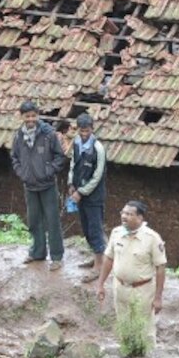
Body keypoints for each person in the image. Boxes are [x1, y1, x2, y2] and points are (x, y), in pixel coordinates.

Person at [96, 200, 167, 354]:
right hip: (120, 287)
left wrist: (158, 297)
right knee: (124, 324)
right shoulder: (116, 233)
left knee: (144, 328)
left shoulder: (152, 238)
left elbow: (160, 268)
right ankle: (128, 355)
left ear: (140, 218)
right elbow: (108, 259)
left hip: (142, 290)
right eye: (123, 213)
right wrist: (100, 284)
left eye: (129, 214)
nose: (124, 216)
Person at [10, 101, 68, 269]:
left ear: (38, 115)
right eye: (27, 116)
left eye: (33, 116)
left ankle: (56, 256)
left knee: (52, 220)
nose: (31, 119)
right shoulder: (19, 136)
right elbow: (15, 157)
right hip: (29, 185)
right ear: (22, 117)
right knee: (34, 220)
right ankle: (37, 252)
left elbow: (60, 157)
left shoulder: (48, 134)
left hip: (47, 184)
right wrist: (22, 173)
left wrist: (49, 171)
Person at [68, 113, 107, 281]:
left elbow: (97, 176)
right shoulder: (76, 143)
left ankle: (99, 267)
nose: (84, 134)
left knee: (95, 229)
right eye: (81, 131)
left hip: (93, 197)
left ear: (92, 129)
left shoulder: (98, 148)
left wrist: (81, 192)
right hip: (79, 195)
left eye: (87, 131)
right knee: (86, 228)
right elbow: (72, 165)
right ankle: (96, 258)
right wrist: (71, 184)